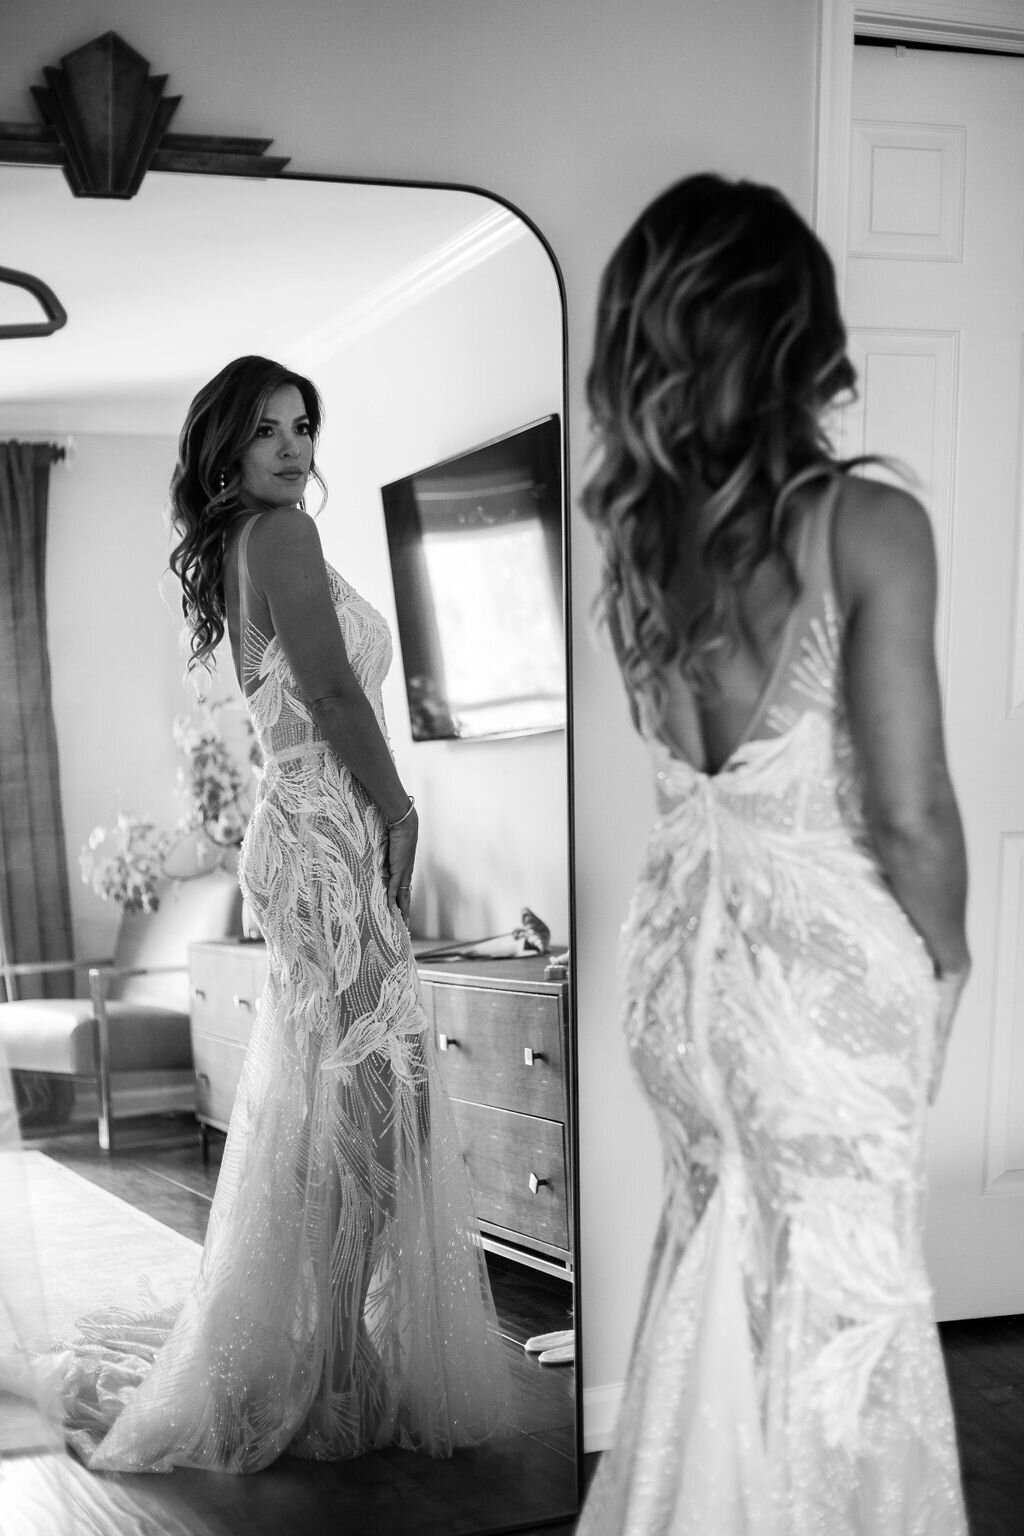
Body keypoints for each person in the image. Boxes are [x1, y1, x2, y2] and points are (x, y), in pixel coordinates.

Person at [576, 176, 970, 1535]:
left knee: (721, 1286)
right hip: (814, 990)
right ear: (799, 331)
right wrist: (951, 955)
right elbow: (910, 812)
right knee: (842, 1318)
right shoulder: (868, 524)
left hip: (677, 982)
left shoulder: (636, 547)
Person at [55, 355, 509, 1472]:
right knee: (377, 1095)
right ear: (228, 451)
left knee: (343, 1096)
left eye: (302, 425)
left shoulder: (238, 544)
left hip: (300, 831)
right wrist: (401, 808)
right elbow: (337, 694)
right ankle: (336, 1355)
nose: (294, 447)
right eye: (267, 430)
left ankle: (328, 1338)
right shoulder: (283, 536)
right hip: (326, 835)